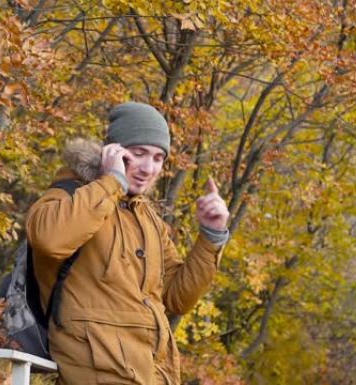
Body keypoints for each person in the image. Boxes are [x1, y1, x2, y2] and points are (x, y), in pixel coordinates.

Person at [26, 102, 230, 385]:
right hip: (99, 370)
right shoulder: (70, 195)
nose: (149, 168)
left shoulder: (148, 219)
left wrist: (211, 236)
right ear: (113, 152)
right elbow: (49, 239)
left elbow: (176, 297)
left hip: (152, 373)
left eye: (158, 158)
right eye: (139, 154)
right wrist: (112, 181)